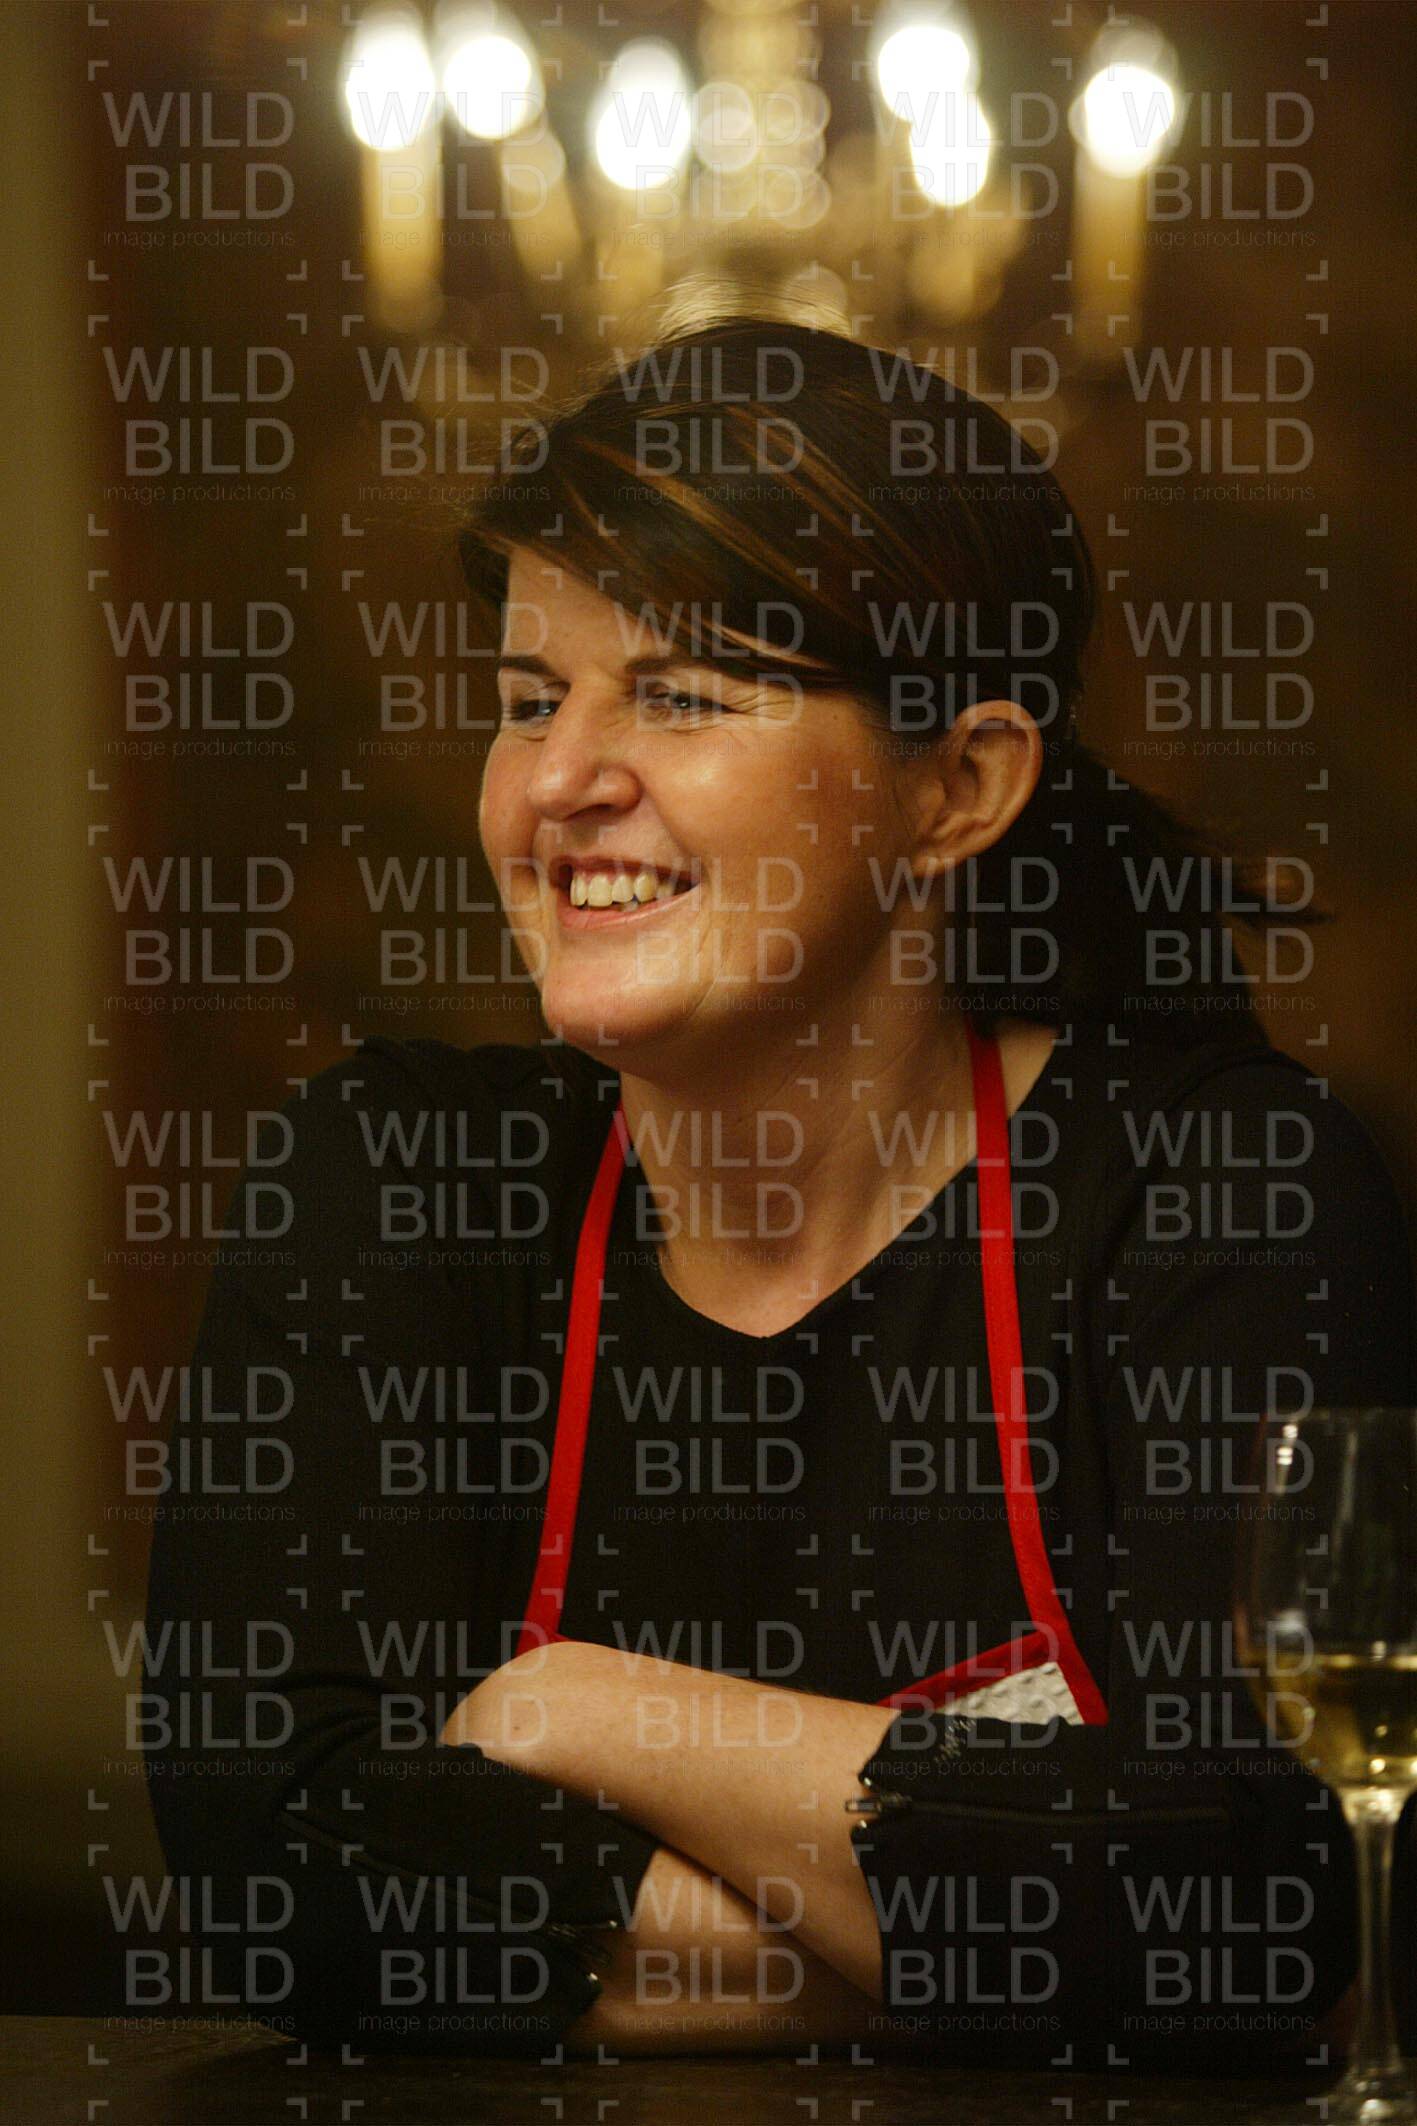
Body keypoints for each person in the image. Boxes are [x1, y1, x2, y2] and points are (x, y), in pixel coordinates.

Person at [143, 313, 1416, 2070]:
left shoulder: (1220, 1186)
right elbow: (282, 1874)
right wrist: (1006, 1947)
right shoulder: (395, 1185)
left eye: (679, 693)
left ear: (956, 785)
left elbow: (1255, 1895)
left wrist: (584, 1708)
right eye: (529, 700)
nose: (559, 781)